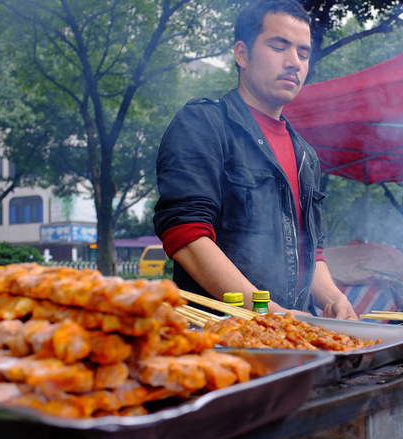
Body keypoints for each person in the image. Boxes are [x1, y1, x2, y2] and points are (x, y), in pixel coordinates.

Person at [153, 0, 357, 320]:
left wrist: (334, 297)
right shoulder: (204, 123)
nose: (294, 62)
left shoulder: (307, 155)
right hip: (221, 339)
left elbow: (311, 250)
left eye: (303, 54)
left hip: (297, 336)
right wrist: (266, 314)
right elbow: (187, 235)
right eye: (279, 46)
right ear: (242, 54)